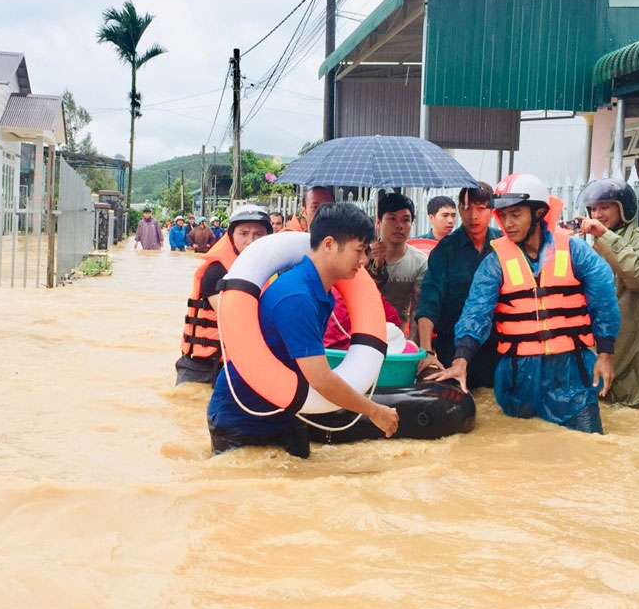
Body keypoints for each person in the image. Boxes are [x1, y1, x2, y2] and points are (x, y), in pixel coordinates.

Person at [207, 202, 399, 457]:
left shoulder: (321, 287)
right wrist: (374, 410)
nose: (364, 261)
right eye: (359, 251)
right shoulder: (297, 297)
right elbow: (320, 379)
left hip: (286, 410)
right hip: (241, 416)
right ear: (329, 245)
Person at [433, 173, 620, 434]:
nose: (507, 223)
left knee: (587, 446)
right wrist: (461, 360)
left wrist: (605, 354)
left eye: (516, 215)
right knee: (520, 452)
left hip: (572, 372)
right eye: (503, 216)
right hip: (518, 375)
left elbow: (604, 299)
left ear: (539, 212)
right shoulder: (495, 262)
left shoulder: (575, 251)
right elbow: (477, 311)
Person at [574, 178, 639, 407]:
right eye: (593, 208)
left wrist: (605, 236)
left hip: (629, 351)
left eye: (605, 207)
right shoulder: (590, 244)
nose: (597, 214)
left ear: (623, 209)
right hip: (597, 345)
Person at [414, 183, 501, 387]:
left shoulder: (504, 247)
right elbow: (428, 301)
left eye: (481, 208)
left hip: (496, 350)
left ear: (492, 210)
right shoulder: (445, 250)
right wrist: (427, 351)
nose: (473, 216)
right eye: (467, 208)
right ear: (461, 209)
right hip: (451, 348)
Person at [177, 206, 273, 385]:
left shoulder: (271, 271)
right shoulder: (215, 271)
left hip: (239, 364)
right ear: (231, 237)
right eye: (243, 234)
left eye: (258, 235)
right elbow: (233, 316)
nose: (250, 241)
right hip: (201, 366)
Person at [367, 193, 427, 342]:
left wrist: (412, 344)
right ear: (379, 222)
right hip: (363, 330)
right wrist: (377, 264)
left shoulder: (420, 262)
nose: (399, 225)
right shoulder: (362, 256)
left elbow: (418, 309)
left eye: (405, 220)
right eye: (392, 219)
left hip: (397, 335)